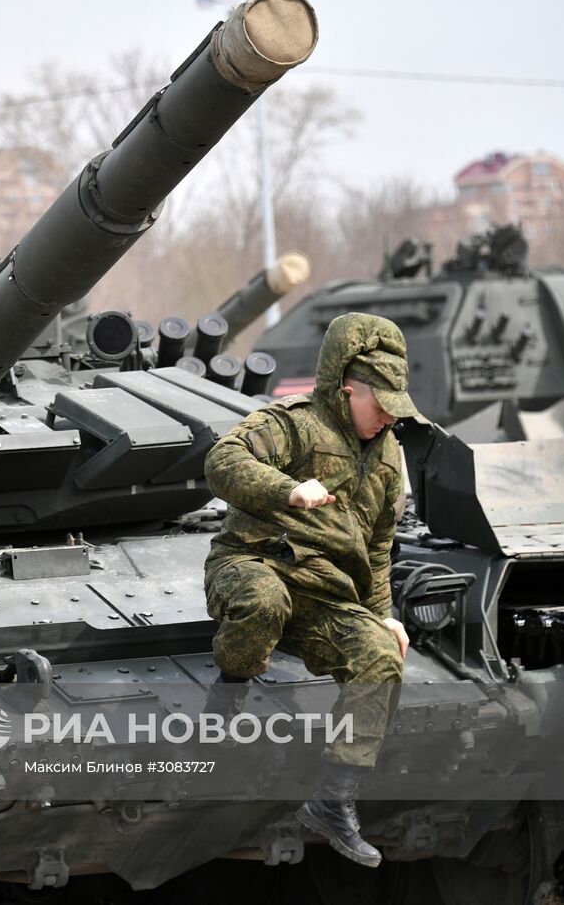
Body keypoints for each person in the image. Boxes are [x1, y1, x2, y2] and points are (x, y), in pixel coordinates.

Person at [202, 312, 416, 868]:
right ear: (348, 393)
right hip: (254, 562)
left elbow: (377, 545)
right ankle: (225, 706)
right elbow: (222, 461)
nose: (390, 417)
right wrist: (289, 489)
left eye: (398, 408)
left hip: (325, 594)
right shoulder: (295, 424)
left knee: (380, 658)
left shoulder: (389, 455)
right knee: (262, 602)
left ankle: (333, 798)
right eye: (382, 404)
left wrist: (383, 615)